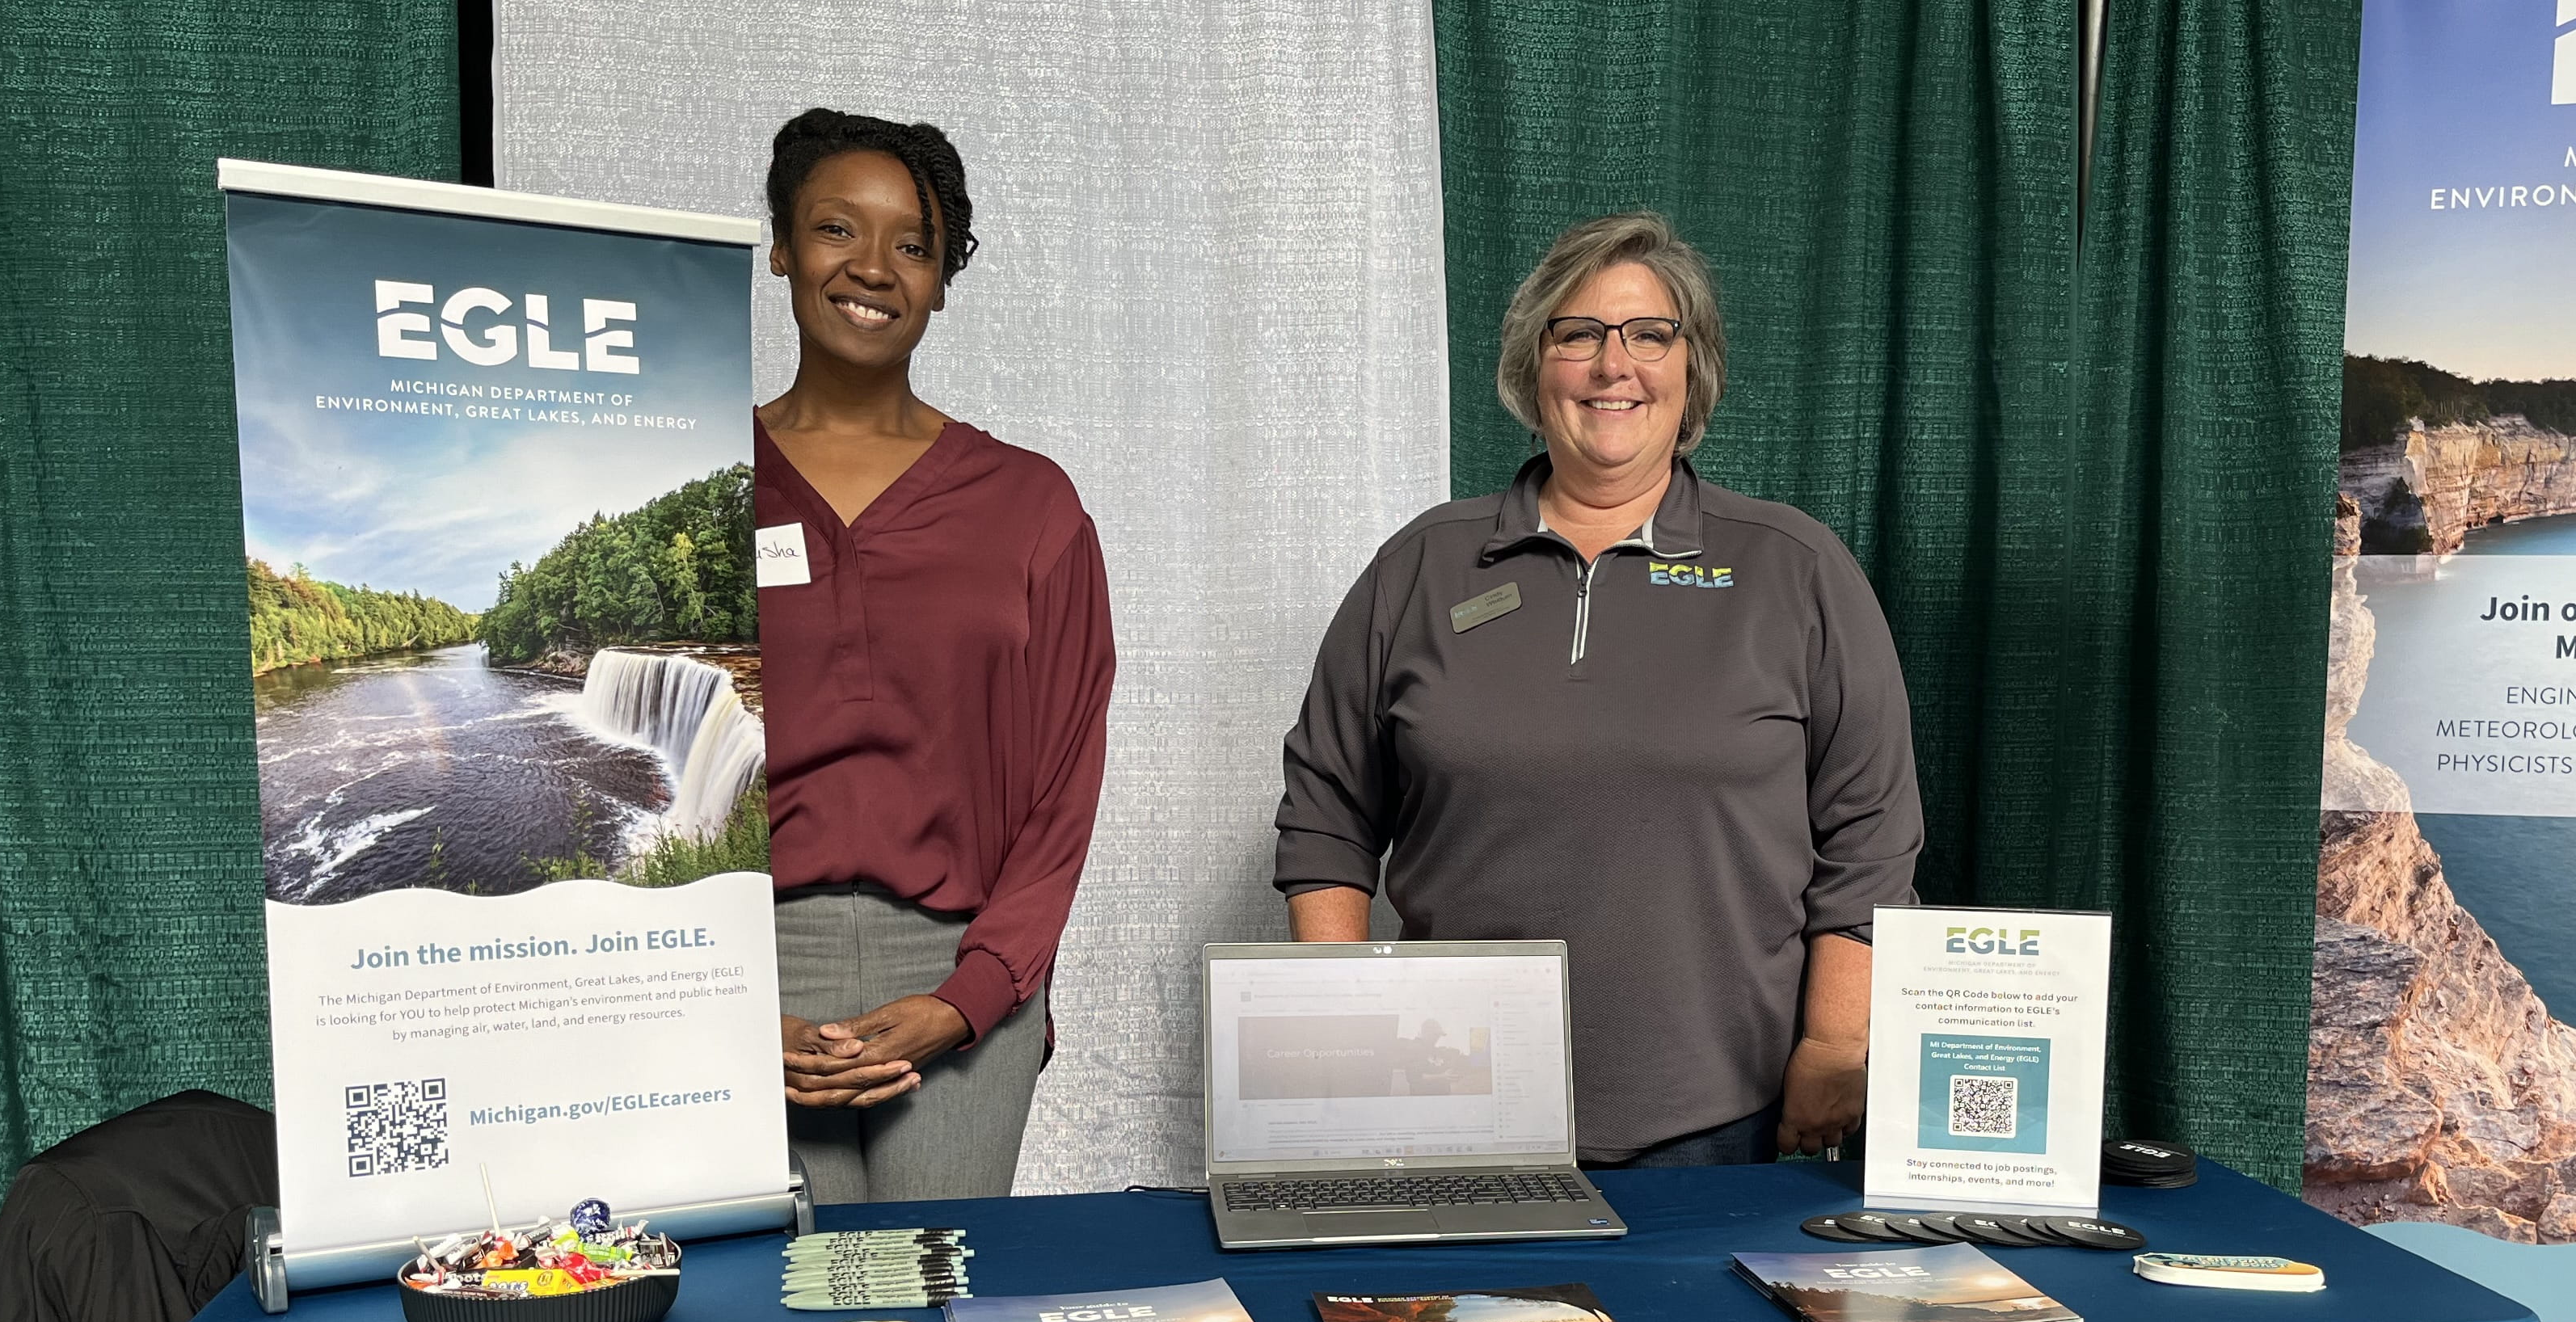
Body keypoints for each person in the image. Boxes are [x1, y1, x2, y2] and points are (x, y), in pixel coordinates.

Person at [1273, 213, 1923, 1165]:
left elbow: (1870, 836)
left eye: (1650, 335)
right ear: (1533, 369)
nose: (1613, 366)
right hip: (1454, 1111)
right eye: (1577, 334)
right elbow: (1326, 816)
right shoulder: (1420, 567)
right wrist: (1348, 1043)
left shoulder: (1795, 569)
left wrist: (1835, 1046)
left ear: (1692, 368)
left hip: (1726, 1122)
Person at [757, 107, 1115, 1201]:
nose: (872, 268)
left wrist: (974, 993)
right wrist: (717, 1001)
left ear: (944, 280)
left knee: (939, 1311)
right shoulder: (693, 487)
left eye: (912, 245)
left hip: (964, 971)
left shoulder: (1029, 504)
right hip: (751, 973)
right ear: (780, 246)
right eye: (835, 230)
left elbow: (1065, 786)